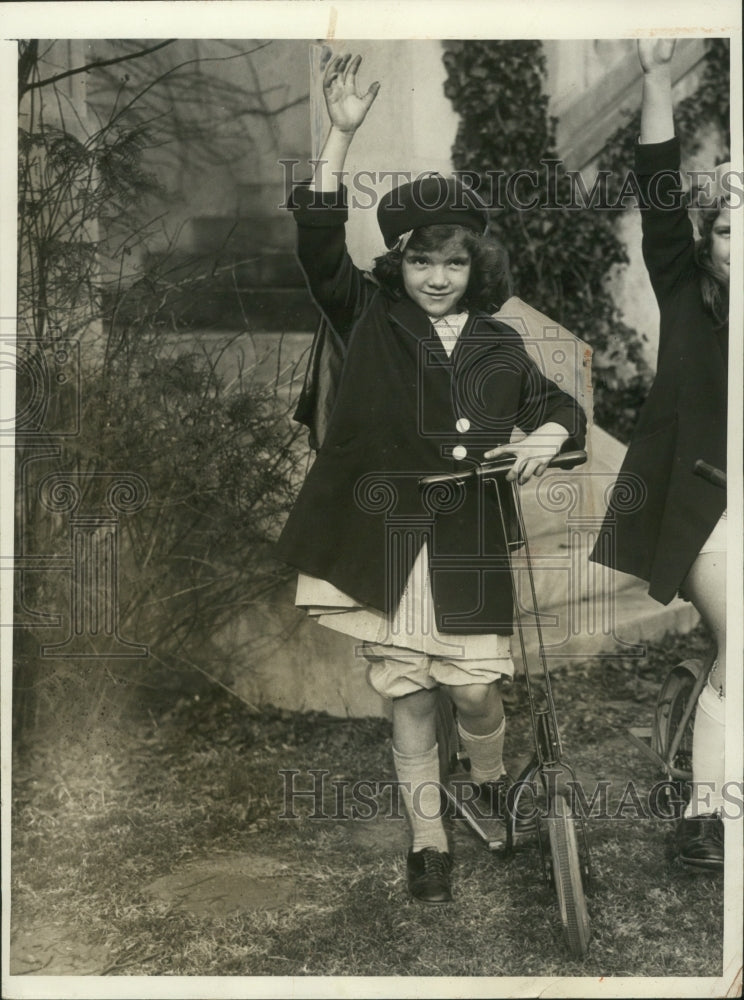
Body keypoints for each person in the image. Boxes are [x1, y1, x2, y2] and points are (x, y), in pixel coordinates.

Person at [276, 52, 586, 903]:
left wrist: (546, 433)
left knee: (478, 691)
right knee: (408, 696)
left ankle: (486, 771)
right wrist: (338, 137)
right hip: (387, 538)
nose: (437, 278)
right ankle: (427, 841)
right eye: (421, 263)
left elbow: (560, 408)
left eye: (453, 265)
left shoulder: (497, 341)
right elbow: (316, 242)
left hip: (470, 540)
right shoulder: (367, 315)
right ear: (400, 267)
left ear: (474, 269)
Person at [590, 39, 730, 870]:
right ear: (707, 242)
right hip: (708, 509)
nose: (735, 245)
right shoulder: (686, 293)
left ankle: (701, 741)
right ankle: (703, 821)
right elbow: (657, 184)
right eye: (725, 230)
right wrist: (654, 80)